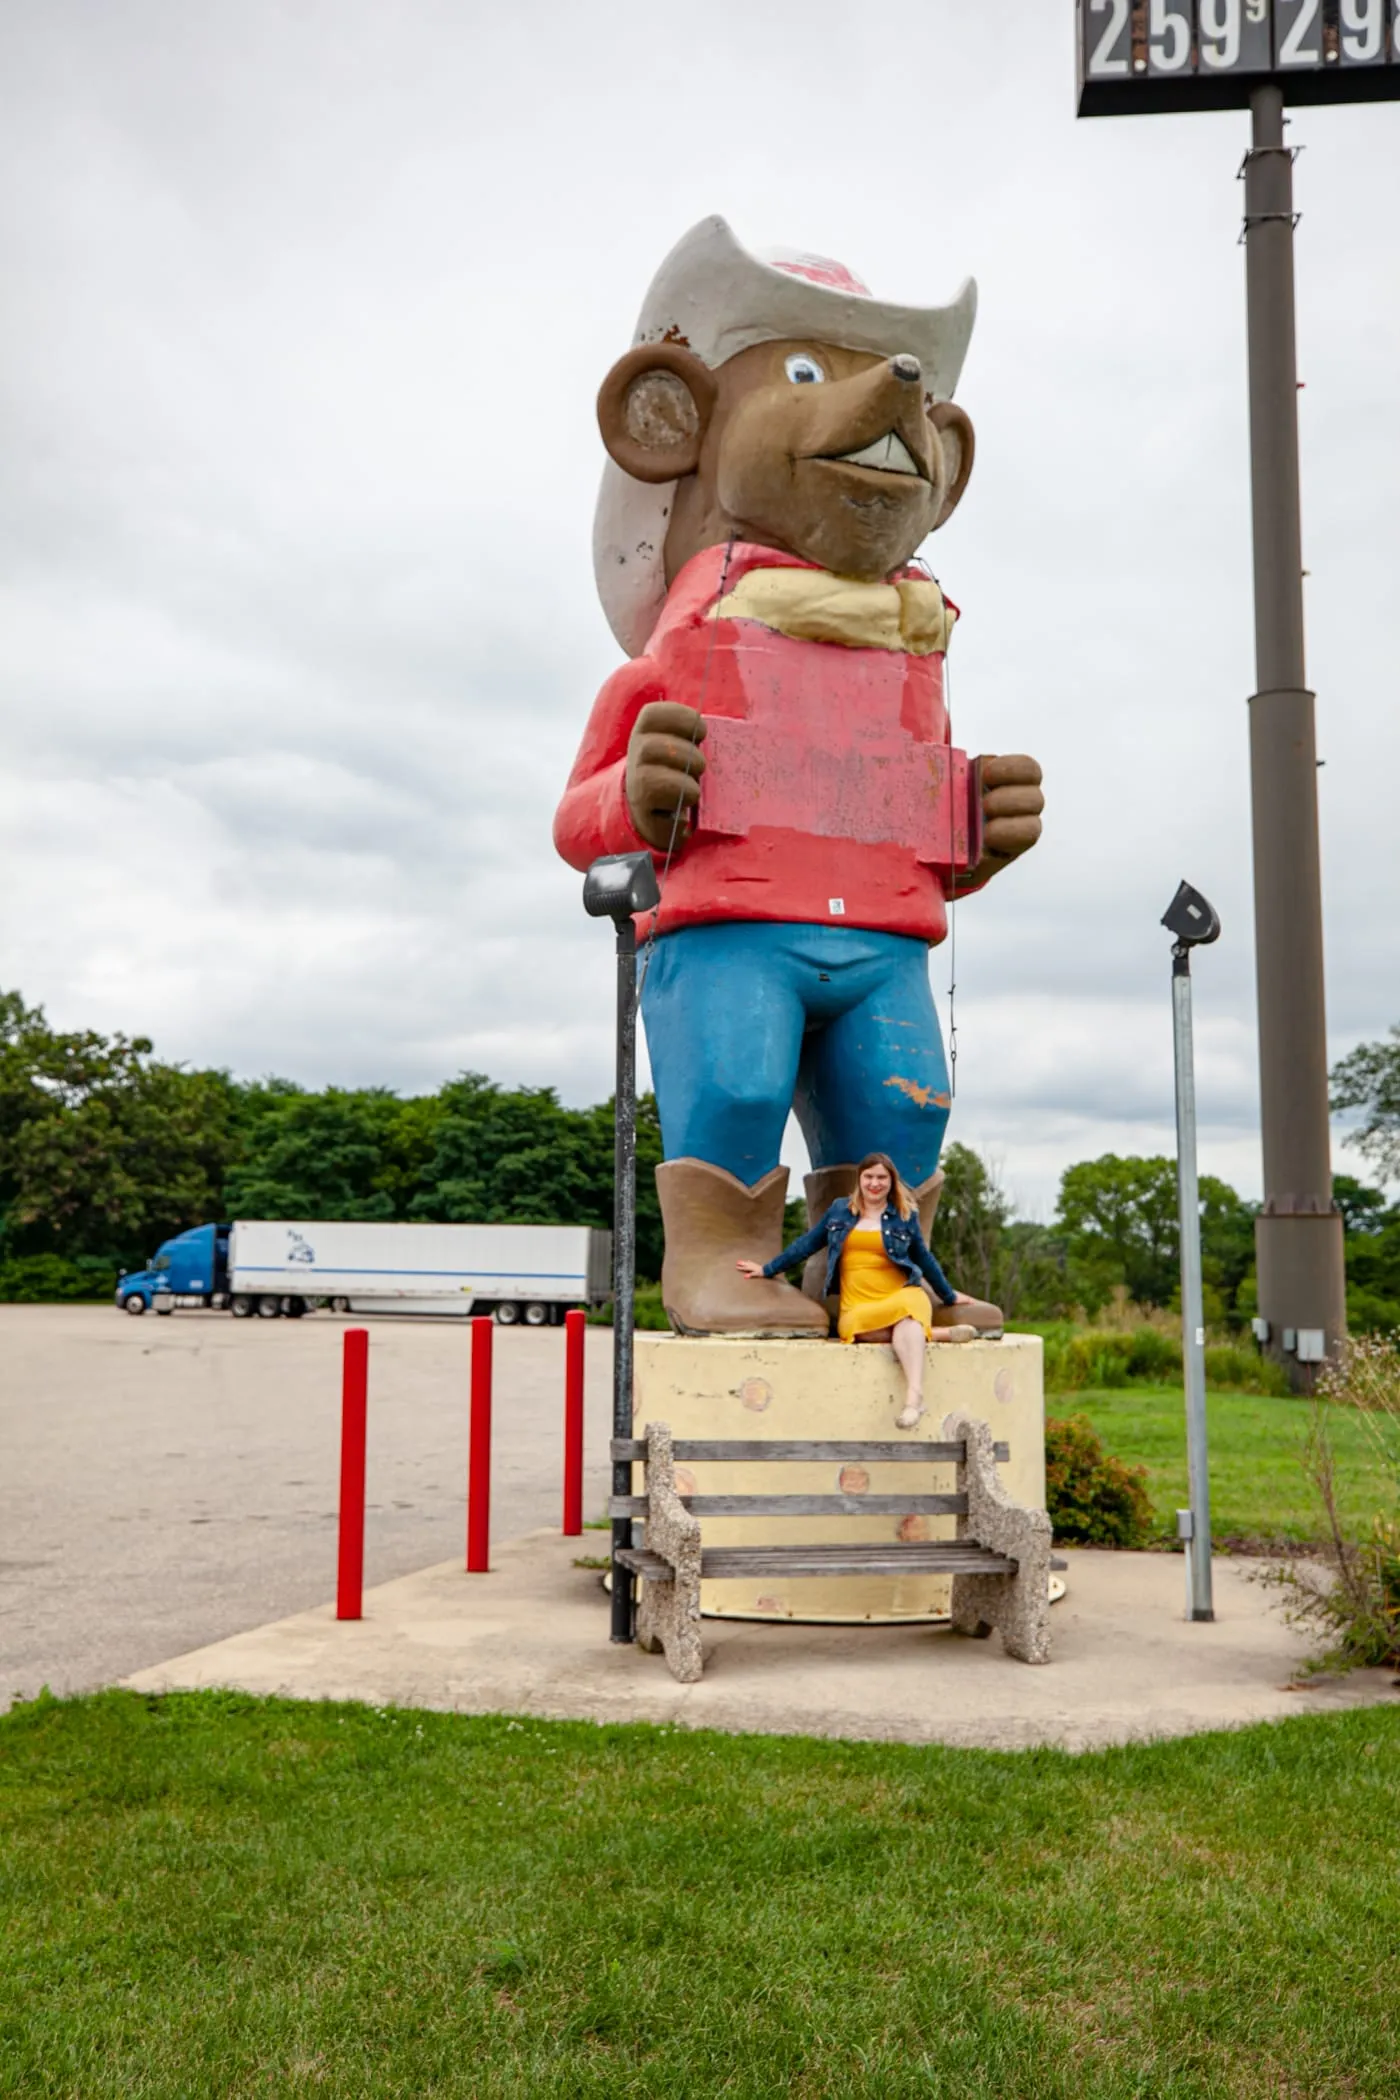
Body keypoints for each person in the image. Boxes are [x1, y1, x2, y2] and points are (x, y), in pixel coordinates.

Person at [736, 1152, 977, 1429]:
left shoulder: (904, 1215)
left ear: (891, 1181)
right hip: (858, 1302)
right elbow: (807, 1244)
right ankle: (936, 1335)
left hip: (900, 1293)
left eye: (881, 1178)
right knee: (857, 1331)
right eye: (869, 1177)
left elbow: (924, 1258)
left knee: (907, 1318)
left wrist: (948, 1295)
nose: (875, 1183)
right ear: (860, 1180)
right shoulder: (840, 1210)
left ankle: (914, 1397)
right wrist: (767, 1269)